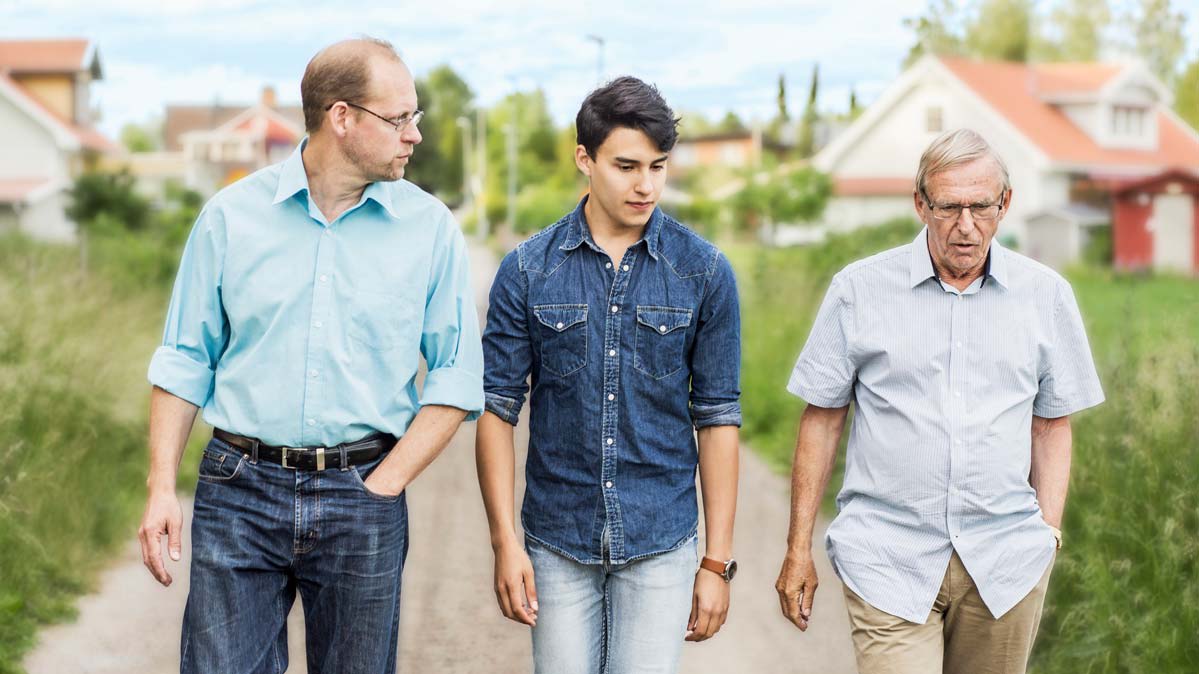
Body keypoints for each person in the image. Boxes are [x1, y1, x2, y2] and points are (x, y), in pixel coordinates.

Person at [137, 37, 483, 674]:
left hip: (364, 495)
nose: (415, 135)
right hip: (239, 489)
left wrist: (386, 484)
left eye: (417, 118)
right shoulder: (228, 219)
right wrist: (162, 487)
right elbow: (185, 359)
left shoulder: (430, 230)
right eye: (400, 118)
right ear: (342, 116)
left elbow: (458, 379)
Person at [775, 128, 1104, 674]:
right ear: (920, 205)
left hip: (1005, 564)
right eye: (949, 207)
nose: (966, 227)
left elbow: (1051, 424)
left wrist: (1045, 535)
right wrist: (797, 548)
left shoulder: (1045, 296)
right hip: (887, 558)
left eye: (981, 207)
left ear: (1006, 204)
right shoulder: (859, 290)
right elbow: (822, 419)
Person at [476, 76, 742, 674]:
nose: (645, 184)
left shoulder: (704, 272)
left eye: (658, 166)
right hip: (557, 538)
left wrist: (715, 562)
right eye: (626, 165)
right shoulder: (526, 271)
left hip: (661, 539)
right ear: (584, 159)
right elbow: (496, 411)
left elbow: (719, 417)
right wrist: (504, 543)